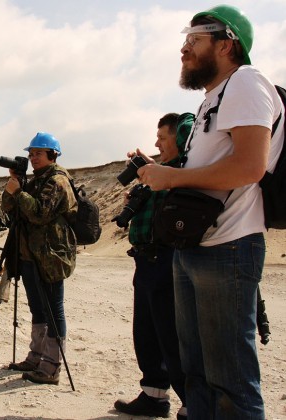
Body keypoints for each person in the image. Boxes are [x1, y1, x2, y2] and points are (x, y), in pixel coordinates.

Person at [137, 6, 285, 418]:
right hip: (195, 246)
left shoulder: (246, 82)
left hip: (230, 247)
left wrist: (171, 179)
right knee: (195, 372)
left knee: (229, 378)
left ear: (226, 44)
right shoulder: (212, 98)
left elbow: (250, 167)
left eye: (194, 40)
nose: (184, 48)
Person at [113, 113, 194, 420]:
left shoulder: (186, 171)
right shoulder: (161, 172)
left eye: (163, 138)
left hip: (168, 259)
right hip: (146, 259)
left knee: (172, 335)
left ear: (180, 138)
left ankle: (190, 402)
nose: (157, 142)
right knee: (146, 332)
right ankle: (153, 395)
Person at [1, 132, 77, 385]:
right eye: (31, 153)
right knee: (37, 308)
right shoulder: (35, 181)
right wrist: (13, 187)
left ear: (52, 155)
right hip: (31, 255)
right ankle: (37, 357)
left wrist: (20, 193)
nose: (32, 158)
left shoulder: (57, 181)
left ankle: (52, 366)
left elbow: (40, 213)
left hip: (50, 256)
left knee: (54, 309)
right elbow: (8, 209)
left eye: (38, 153)